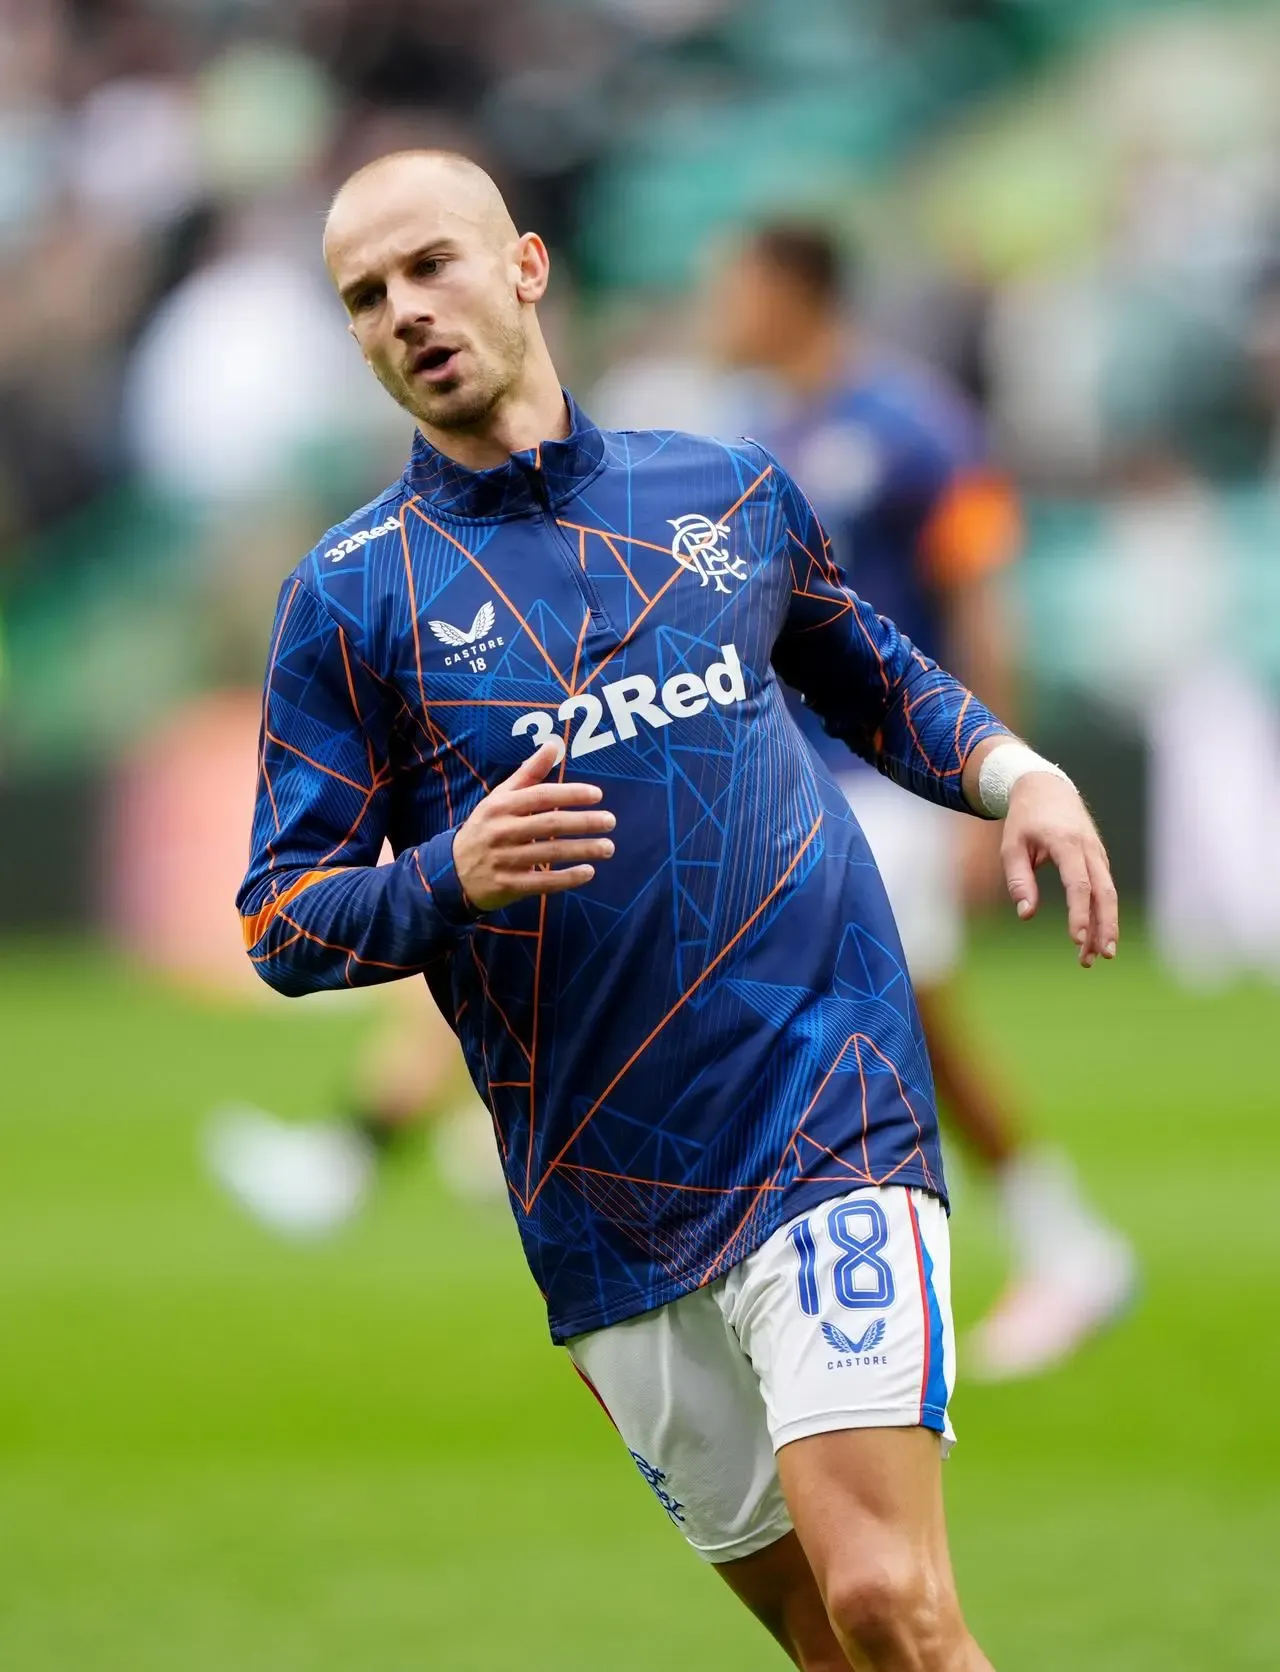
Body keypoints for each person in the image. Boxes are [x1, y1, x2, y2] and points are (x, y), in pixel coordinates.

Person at [238, 149, 1119, 1671]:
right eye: (365, 298)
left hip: (821, 1103)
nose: (405, 314)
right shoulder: (348, 600)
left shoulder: (720, 492)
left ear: (524, 265)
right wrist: (449, 874)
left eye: (431, 267)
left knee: (892, 1603)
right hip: (600, 1193)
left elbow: (870, 671)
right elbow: (281, 917)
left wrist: (1012, 770)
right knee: (829, 1645)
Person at [706, 222, 1136, 1381]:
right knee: (884, 1035)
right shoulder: (759, 435)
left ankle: (1041, 1249)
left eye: (733, 284)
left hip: (893, 786)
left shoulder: (909, 423)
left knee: (903, 1036)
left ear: (794, 291)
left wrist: (986, 791)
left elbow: (980, 599)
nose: (718, 306)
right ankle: (1038, 1247)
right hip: (799, 788)